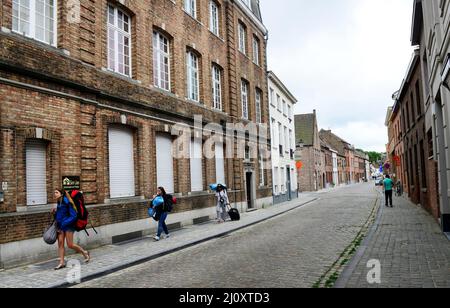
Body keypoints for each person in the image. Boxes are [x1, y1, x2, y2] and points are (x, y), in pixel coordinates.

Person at [52, 189, 90, 270]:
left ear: (61, 193)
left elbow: (74, 216)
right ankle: (61, 263)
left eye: (56, 192)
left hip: (69, 226)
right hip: (60, 226)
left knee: (70, 244)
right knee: (60, 243)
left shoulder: (67, 201)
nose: (55, 194)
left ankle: (84, 252)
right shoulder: (59, 202)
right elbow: (60, 215)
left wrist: (64, 223)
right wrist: (54, 213)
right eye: (54, 192)